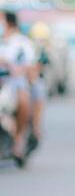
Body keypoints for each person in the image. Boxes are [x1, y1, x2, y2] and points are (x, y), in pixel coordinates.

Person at [0, 9, 37, 160]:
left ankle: (18, 139)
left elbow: (30, 65)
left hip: (13, 83)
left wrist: (14, 68)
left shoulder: (22, 42)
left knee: (23, 101)